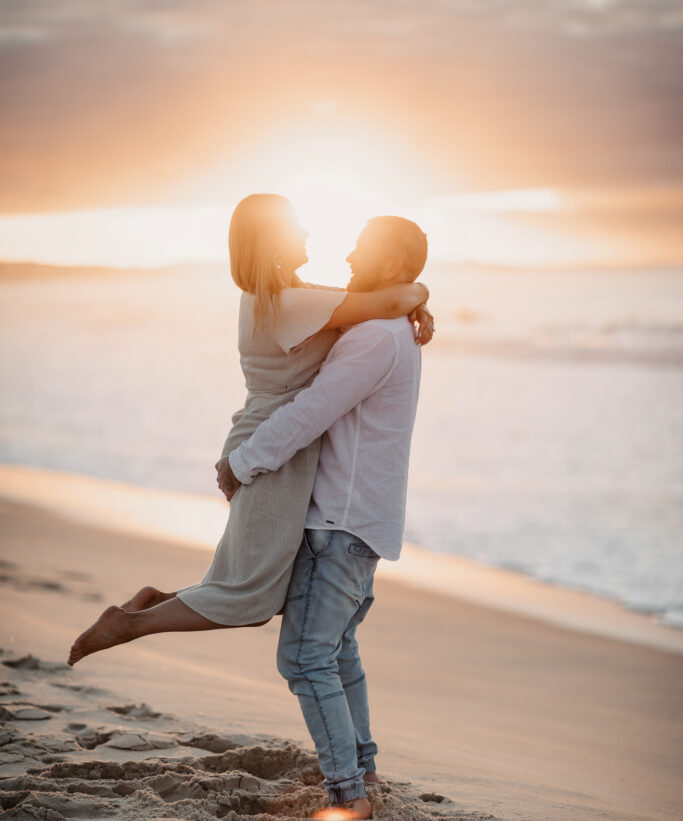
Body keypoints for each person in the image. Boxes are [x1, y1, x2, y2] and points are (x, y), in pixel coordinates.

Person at [67, 195, 431, 666]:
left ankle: (153, 603)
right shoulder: (289, 304)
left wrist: (409, 304)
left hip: (274, 447)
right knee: (252, 595)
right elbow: (392, 298)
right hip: (269, 449)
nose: (307, 236)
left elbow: (377, 304)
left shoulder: (291, 297)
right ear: (275, 242)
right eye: (297, 228)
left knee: (261, 587)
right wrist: (416, 299)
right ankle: (129, 624)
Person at [216, 215, 429, 820]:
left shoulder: (371, 337)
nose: (349, 253)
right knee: (338, 653)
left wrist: (245, 461)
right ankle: (363, 769)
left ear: (390, 266)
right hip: (365, 519)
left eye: (363, 247)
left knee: (306, 657)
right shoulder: (394, 329)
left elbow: (312, 409)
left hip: (338, 521)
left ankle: (348, 793)